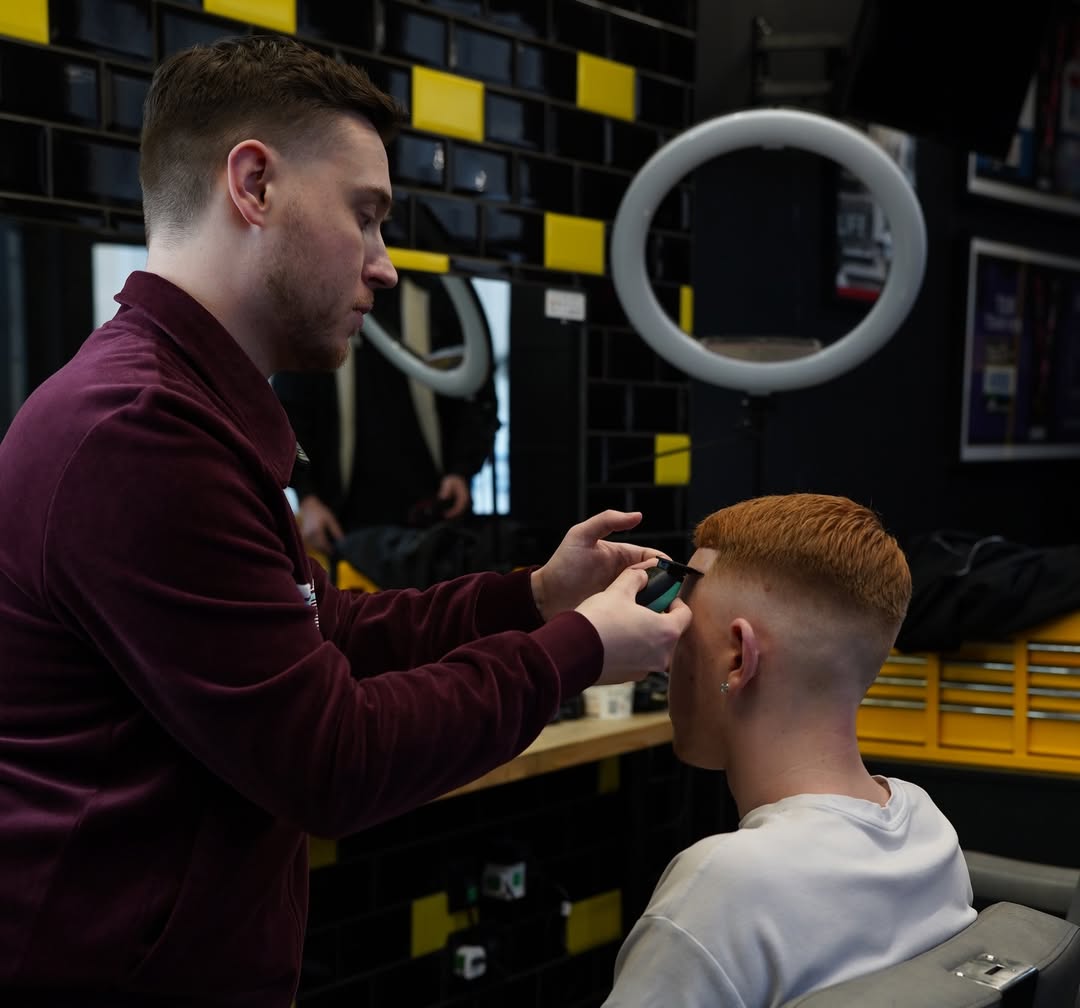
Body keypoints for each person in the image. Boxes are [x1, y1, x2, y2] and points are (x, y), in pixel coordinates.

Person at [0, 35, 691, 1007]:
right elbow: (333, 761)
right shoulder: (141, 434)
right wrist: (576, 650)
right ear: (254, 185)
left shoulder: (187, 410)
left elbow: (330, 631)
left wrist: (532, 597)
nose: (386, 268)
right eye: (366, 218)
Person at [603, 493, 975, 1008]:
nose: (665, 658)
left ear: (738, 656)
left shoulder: (721, 891)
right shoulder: (930, 831)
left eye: (681, 623)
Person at [273, 272, 500, 555]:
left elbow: (476, 396)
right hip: (342, 525)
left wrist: (461, 472)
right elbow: (287, 414)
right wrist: (307, 498)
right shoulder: (320, 298)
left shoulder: (440, 292)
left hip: (434, 517)